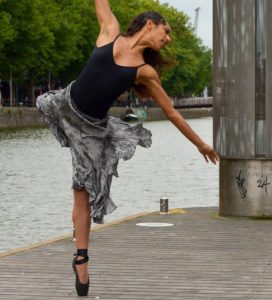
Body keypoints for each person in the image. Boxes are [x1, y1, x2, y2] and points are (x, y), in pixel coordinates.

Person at [36, 0, 219, 297]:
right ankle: (79, 242)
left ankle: (80, 258)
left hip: (91, 131)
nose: (168, 38)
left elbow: (172, 113)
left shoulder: (145, 72)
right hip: (64, 104)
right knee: (43, 103)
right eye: (166, 30)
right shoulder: (110, 32)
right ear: (149, 24)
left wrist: (201, 144)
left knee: (82, 191)